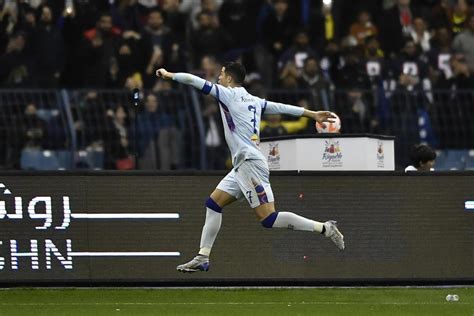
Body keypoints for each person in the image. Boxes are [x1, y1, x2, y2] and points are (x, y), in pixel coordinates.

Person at [156, 62, 345, 273]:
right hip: (241, 165)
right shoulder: (254, 100)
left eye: (221, 74)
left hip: (250, 164)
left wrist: (170, 75)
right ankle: (202, 256)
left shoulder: (228, 95)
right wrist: (312, 114)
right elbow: (280, 107)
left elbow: (194, 81)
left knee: (269, 219)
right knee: (213, 204)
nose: (218, 77)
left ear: (229, 78)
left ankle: (325, 228)